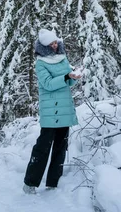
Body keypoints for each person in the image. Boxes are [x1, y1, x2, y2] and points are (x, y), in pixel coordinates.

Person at [23, 28, 81, 194]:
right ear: (44, 46)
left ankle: (52, 183)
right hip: (51, 111)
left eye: (56, 42)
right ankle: (30, 183)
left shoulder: (63, 59)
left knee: (61, 147)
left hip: (64, 109)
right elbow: (48, 84)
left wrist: (74, 77)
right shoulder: (40, 63)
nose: (55, 45)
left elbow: (67, 83)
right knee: (43, 147)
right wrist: (66, 77)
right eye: (51, 43)